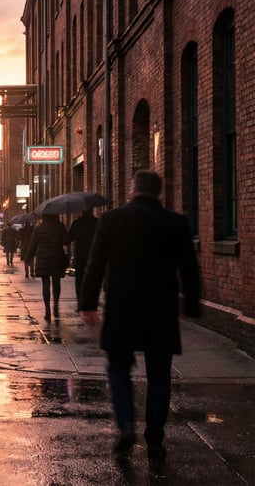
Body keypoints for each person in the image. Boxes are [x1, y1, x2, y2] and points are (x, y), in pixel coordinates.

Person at [80, 170, 200, 461]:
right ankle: (154, 437)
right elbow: (189, 267)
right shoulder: (176, 222)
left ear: (133, 189)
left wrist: (88, 304)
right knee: (159, 373)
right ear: (159, 192)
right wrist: (192, 305)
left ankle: (126, 425)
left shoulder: (112, 219)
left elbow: (95, 263)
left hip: (122, 307)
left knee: (119, 368)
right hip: (161, 309)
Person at [24, 213, 70, 321]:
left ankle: (47, 310)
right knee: (56, 283)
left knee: (45, 284)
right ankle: (56, 306)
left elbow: (33, 245)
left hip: (43, 259)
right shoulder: (60, 226)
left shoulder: (39, 228)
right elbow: (67, 241)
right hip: (57, 257)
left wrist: (28, 257)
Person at [67, 208, 99, 312]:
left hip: (81, 255)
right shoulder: (97, 222)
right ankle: (92, 305)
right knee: (94, 280)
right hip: (94, 256)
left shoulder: (77, 223)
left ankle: (80, 304)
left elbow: (69, 238)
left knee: (80, 280)